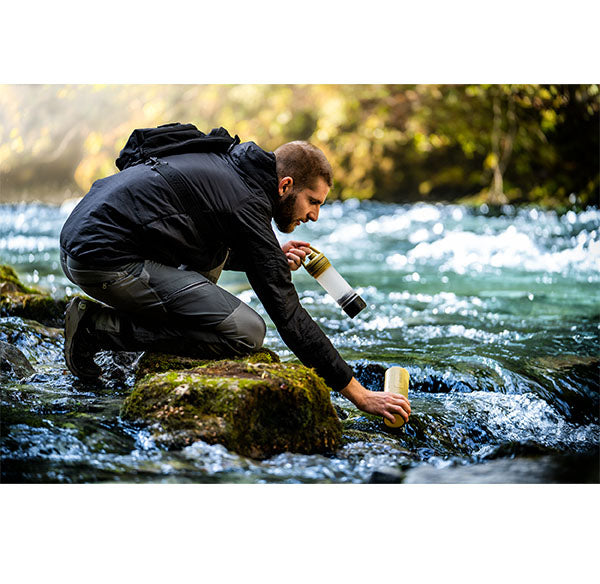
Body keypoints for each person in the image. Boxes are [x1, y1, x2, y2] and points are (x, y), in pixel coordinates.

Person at [59, 124, 411, 425]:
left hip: (86, 241)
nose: (314, 215)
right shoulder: (246, 202)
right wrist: (359, 394)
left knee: (217, 258)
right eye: (313, 201)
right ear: (285, 185)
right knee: (247, 331)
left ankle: (125, 335)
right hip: (102, 261)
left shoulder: (233, 166)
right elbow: (289, 317)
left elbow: (194, 227)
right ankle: (95, 328)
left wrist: (270, 256)